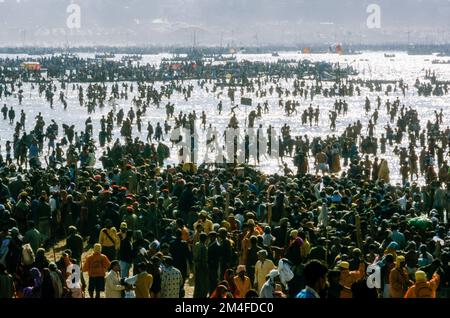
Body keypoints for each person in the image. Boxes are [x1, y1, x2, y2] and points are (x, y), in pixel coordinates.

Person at [193, 232, 209, 298]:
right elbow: (204, 259)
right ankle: (202, 295)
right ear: (205, 239)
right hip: (202, 266)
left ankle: (196, 295)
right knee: (203, 282)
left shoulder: (197, 244)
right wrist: (206, 268)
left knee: (197, 281)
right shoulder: (204, 247)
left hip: (196, 265)